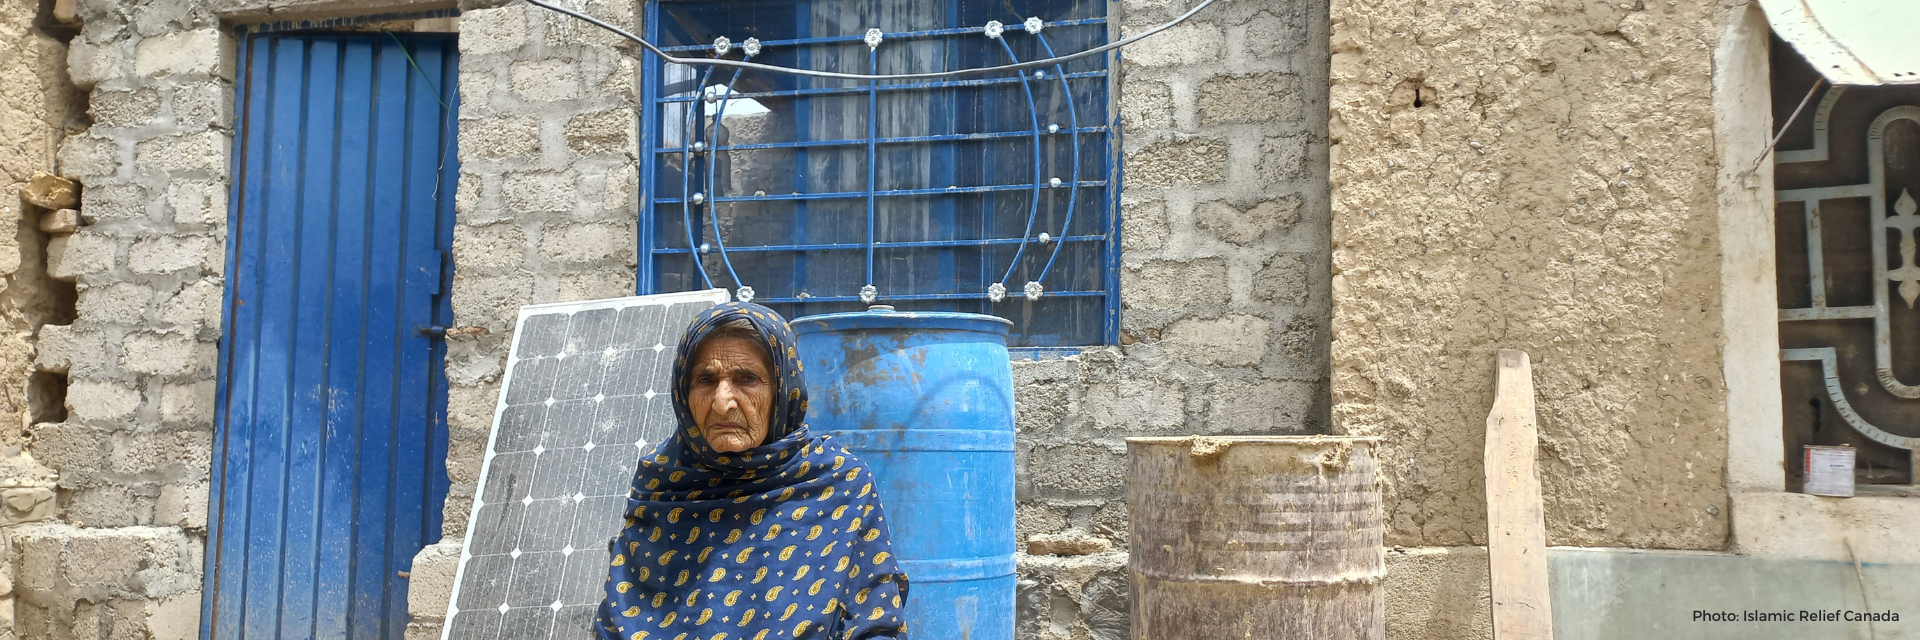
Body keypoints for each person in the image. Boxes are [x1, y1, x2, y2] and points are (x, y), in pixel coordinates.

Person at [596, 302, 910, 640]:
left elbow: (876, 622)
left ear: (783, 391)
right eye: (705, 380)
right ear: (682, 394)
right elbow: (618, 618)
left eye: (747, 379)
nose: (723, 402)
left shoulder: (837, 482)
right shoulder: (664, 484)